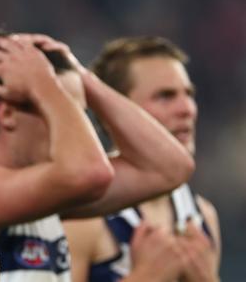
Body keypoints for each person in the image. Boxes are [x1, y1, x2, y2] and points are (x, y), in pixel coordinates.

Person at [0, 32, 195, 281]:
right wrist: (47, 85)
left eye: (79, 112)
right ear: (7, 114)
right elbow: (90, 173)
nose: (76, 127)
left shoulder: (46, 198)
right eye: (59, 107)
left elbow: (170, 168)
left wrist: (82, 75)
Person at [63, 36, 221, 282]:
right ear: (116, 111)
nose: (187, 109)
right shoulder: (82, 216)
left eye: (188, 94)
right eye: (165, 96)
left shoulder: (203, 215)